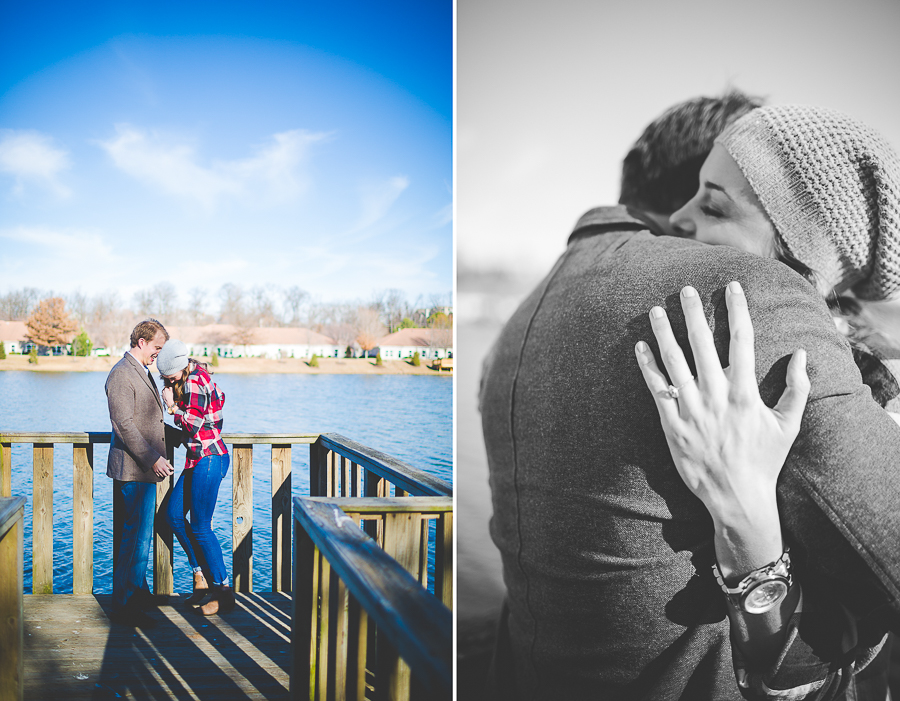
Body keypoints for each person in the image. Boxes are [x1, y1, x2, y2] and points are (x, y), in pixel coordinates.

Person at [479, 97, 900, 700]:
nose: (681, 220)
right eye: (701, 190)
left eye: (714, 202)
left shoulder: (519, 322)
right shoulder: (741, 296)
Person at [634, 105, 900, 699]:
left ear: (798, 262)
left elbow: (832, 658)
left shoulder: (860, 400)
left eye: (714, 204)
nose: (677, 216)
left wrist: (745, 514)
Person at [105, 318, 176, 628]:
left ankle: (135, 594)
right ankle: (126, 607)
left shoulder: (141, 370)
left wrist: (185, 434)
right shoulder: (121, 374)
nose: (157, 355)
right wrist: (153, 460)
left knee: (134, 537)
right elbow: (123, 425)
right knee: (136, 538)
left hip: (142, 470)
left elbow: (150, 422)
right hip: (135, 470)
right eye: (156, 348)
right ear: (142, 342)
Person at [156, 339, 234, 616]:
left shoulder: (194, 381)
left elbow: (195, 422)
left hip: (209, 458)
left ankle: (223, 591)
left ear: (179, 367)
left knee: (201, 526)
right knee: (172, 516)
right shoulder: (193, 376)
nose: (166, 379)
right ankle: (200, 576)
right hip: (197, 458)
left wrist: (172, 408)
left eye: (168, 374)